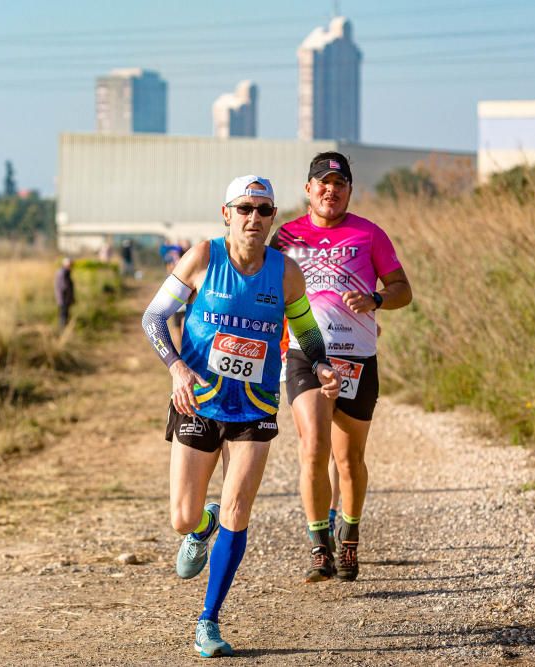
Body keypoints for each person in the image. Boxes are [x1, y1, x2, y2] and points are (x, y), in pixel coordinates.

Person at [142, 175, 339, 657]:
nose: (255, 218)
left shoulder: (286, 272)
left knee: (238, 511)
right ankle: (200, 526)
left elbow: (307, 330)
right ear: (226, 213)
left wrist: (322, 363)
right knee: (182, 517)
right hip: (199, 402)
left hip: (254, 407)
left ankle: (208, 621)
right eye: (245, 208)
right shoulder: (203, 258)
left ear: (273, 218)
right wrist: (177, 369)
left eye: (264, 210)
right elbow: (152, 318)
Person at [270, 152, 412, 583]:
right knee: (313, 446)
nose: (331, 190)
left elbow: (403, 289)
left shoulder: (370, 235)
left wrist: (377, 300)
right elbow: (265, 288)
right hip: (303, 354)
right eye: (323, 183)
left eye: (340, 183)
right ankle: (319, 548)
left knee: (348, 459)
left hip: (357, 356)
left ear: (350, 190)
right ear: (309, 189)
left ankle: (348, 539)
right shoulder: (286, 236)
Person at [55, 256, 75, 328]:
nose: (72, 266)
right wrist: (68, 298)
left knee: (65, 314)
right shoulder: (63, 273)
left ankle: (65, 329)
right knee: (63, 315)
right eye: (71, 265)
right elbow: (64, 287)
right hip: (63, 298)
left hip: (65, 298)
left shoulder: (66, 272)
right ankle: (62, 330)